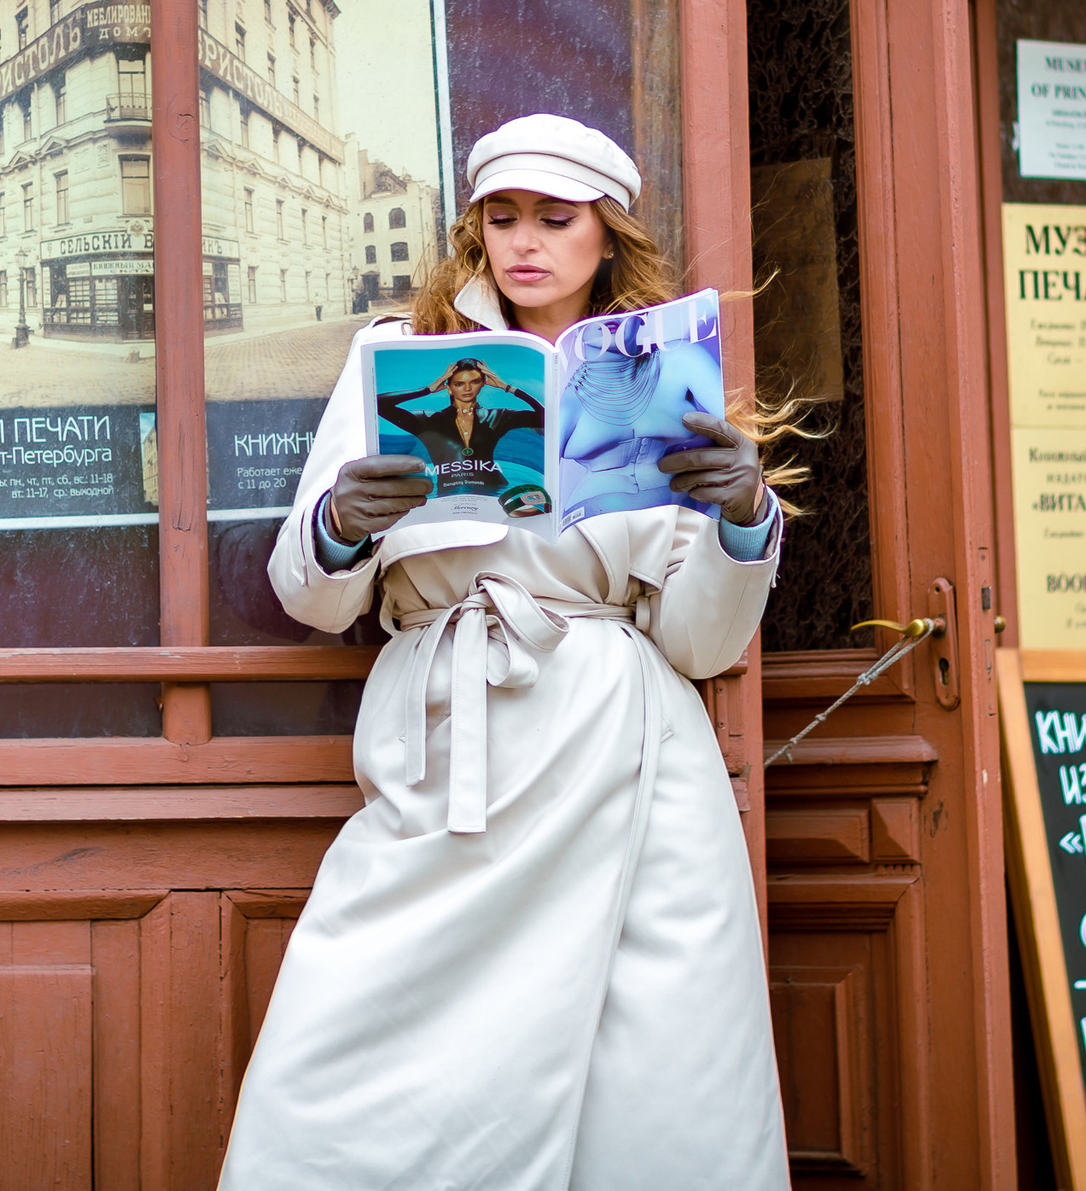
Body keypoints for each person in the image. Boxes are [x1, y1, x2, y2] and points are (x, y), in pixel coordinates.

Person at [220, 114, 794, 1191]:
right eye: (502, 218)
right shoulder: (398, 355)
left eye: (555, 220)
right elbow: (305, 593)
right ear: (474, 229)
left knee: (652, 1072)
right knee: (345, 1041)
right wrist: (343, 520)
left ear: (605, 236)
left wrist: (742, 521)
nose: (524, 242)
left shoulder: (657, 377)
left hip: (629, 760)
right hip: (453, 747)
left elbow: (700, 642)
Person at [377, 357, 544, 495]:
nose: (467, 388)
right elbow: (379, 403)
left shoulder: (498, 416)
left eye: (475, 381)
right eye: (459, 384)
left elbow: (543, 419)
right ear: (448, 388)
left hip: (495, 491)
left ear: (483, 384)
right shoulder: (428, 420)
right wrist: (427, 390)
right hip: (448, 495)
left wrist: (507, 387)